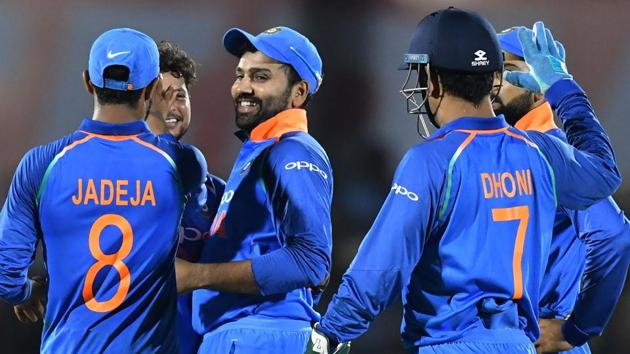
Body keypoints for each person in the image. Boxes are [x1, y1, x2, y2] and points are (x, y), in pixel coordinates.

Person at [305, 8, 620, 354]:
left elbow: (381, 266)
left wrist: (331, 331)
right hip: (519, 344)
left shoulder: (431, 160)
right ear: (492, 80)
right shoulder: (539, 150)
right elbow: (605, 174)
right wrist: (563, 88)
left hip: (450, 344)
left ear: (435, 82)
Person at [0, 28, 206, 353]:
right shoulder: (183, 164)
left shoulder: (42, 163)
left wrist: (27, 292)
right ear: (152, 88)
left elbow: (6, 275)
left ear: (87, 81)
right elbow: (198, 210)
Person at [174, 26, 333, 354]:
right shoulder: (261, 153)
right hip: (243, 336)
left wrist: (196, 275)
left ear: (298, 92)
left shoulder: (293, 151)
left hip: (261, 335)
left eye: (260, 77)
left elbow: (313, 260)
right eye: (240, 75)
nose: (242, 88)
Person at [495, 27, 630, 354]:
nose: (493, 83)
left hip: (538, 337)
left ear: (540, 88)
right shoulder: (503, 150)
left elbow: (614, 235)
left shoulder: (551, 154)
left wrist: (575, 329)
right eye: (490, 72)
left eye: (509, 72)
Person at [146, 40, 226, 354]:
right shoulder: (103, 179)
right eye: (159, 96)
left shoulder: (219, 193)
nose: (172, 107)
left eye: (180, 95)